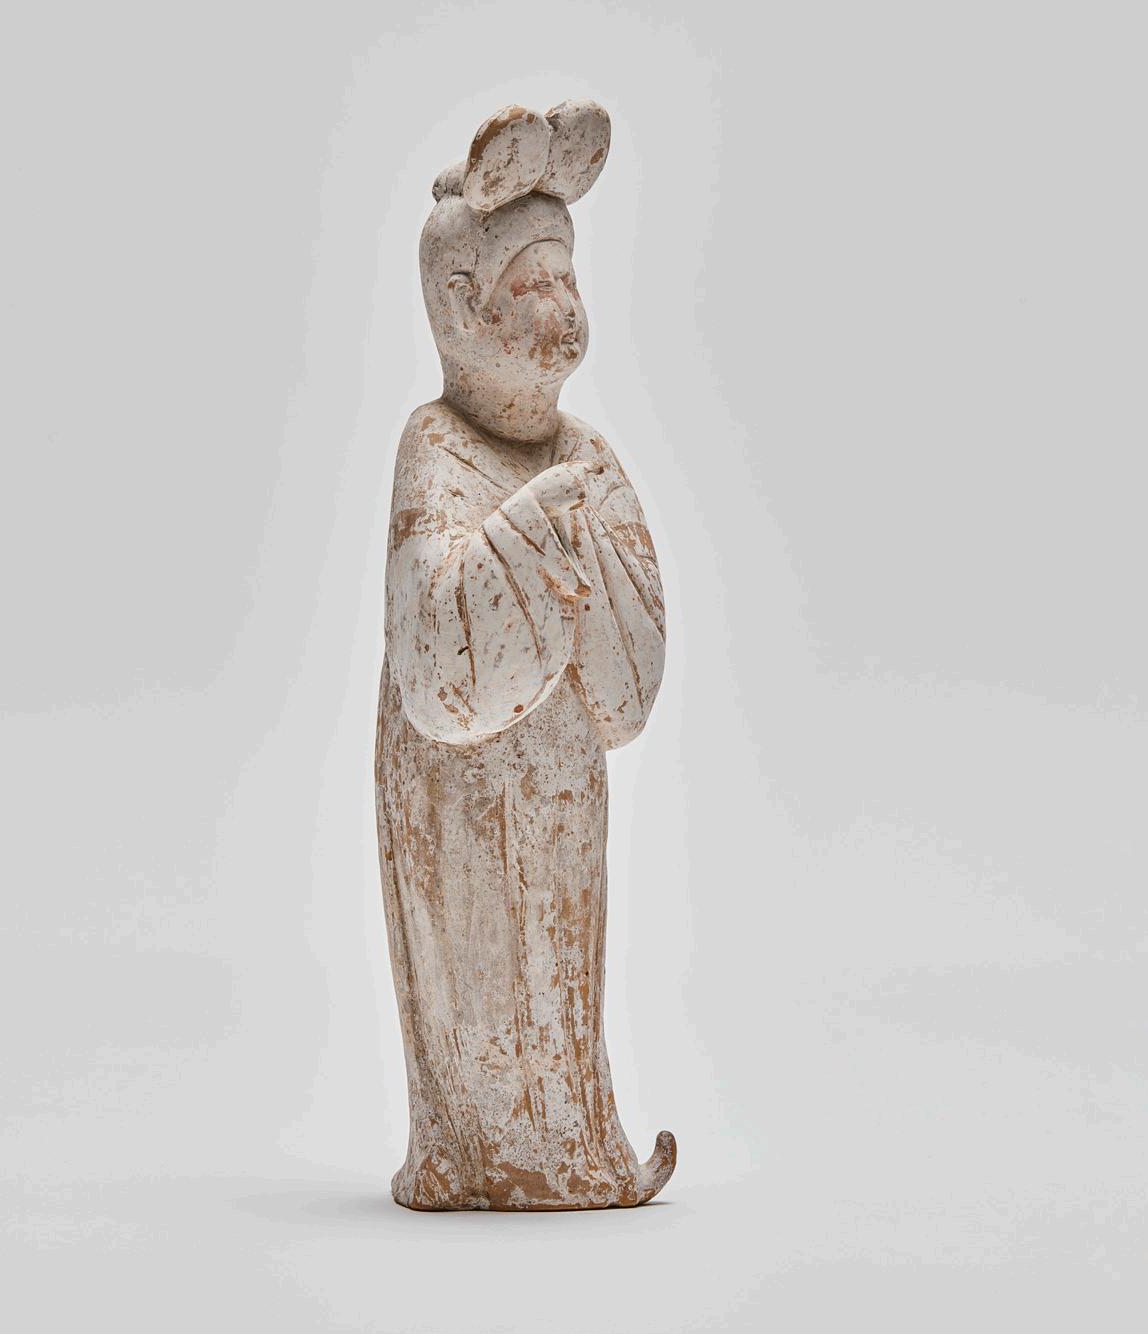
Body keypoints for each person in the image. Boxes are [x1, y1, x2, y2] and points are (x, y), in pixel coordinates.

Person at [375, 101, 675, 1210]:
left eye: (567, 278)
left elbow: (628, 688)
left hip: (558, 787)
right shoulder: (435, 447)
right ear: (461, 305)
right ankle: (468, 1149)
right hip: (456, 791)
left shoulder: (584, 453)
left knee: (556, 968)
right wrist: (530, 536)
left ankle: (573, 1147)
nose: (562, 308)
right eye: (532, 284)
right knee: (475, 961)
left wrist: (583, 557)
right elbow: (435, 668)